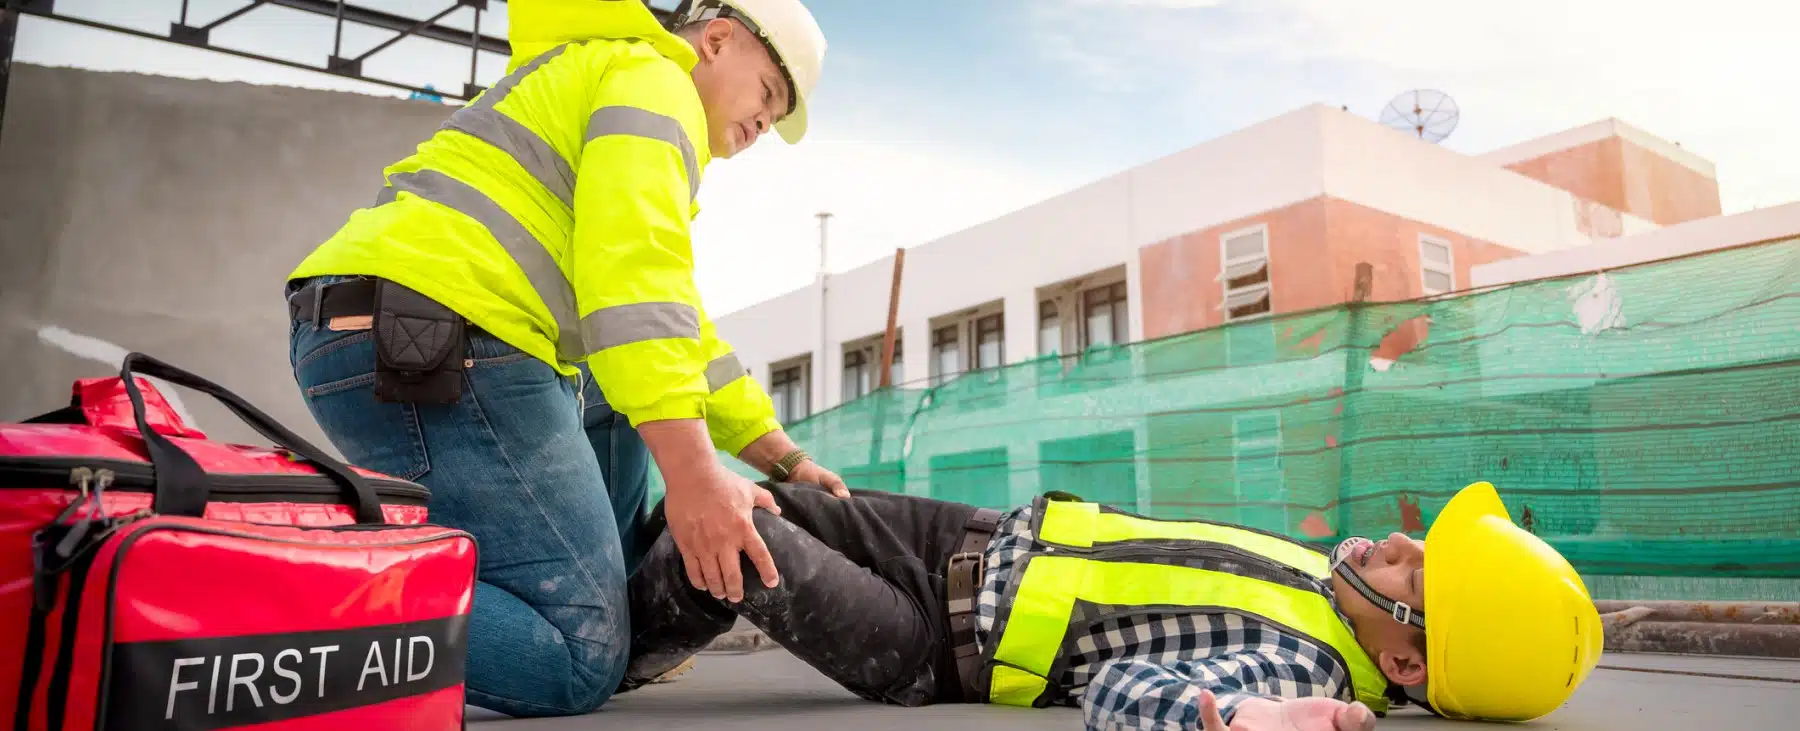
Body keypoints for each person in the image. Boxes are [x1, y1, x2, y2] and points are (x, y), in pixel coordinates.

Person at [279, 0, 845, 718]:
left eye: (779, 116)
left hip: (384, 330)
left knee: (611, 394)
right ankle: (284, 582)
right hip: (438, 339)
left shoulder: (614, 80)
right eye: (768, 93)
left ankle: (606, 601)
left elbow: (675, 326)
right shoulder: (654, 81)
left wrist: (782, 456)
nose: (766, 124)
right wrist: (697, 477)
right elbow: (635, 284)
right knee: (577, 656)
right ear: (718, 39)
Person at [622, 481, 1605, 731]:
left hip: (933, 639)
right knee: (740, 496)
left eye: (1416, 577)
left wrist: (1227, 719)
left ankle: (603, 644)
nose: (1402, 544)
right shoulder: (1322, 584)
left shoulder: (1300, 669)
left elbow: (1125, 688)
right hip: (963, 537)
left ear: (1403, 662)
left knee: (730, 542)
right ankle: (630, 580)